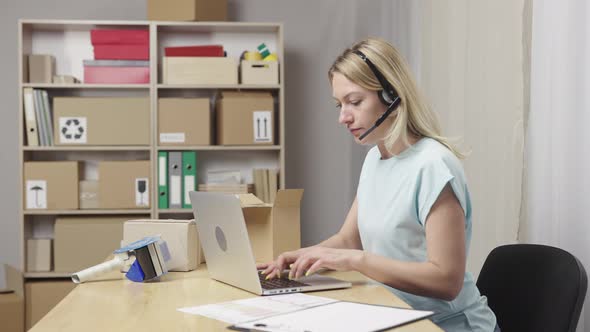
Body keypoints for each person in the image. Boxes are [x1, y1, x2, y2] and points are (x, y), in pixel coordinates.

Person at [257, 37, 499, 332]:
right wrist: (302, 256)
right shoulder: (375, 159)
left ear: (391, 95)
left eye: (355, 102)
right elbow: (349, 240)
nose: (343, 117)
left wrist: (356, 261)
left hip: (445, 326)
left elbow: (446, 280)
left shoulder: (433, 166)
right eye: (339, 104)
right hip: (393, 317)